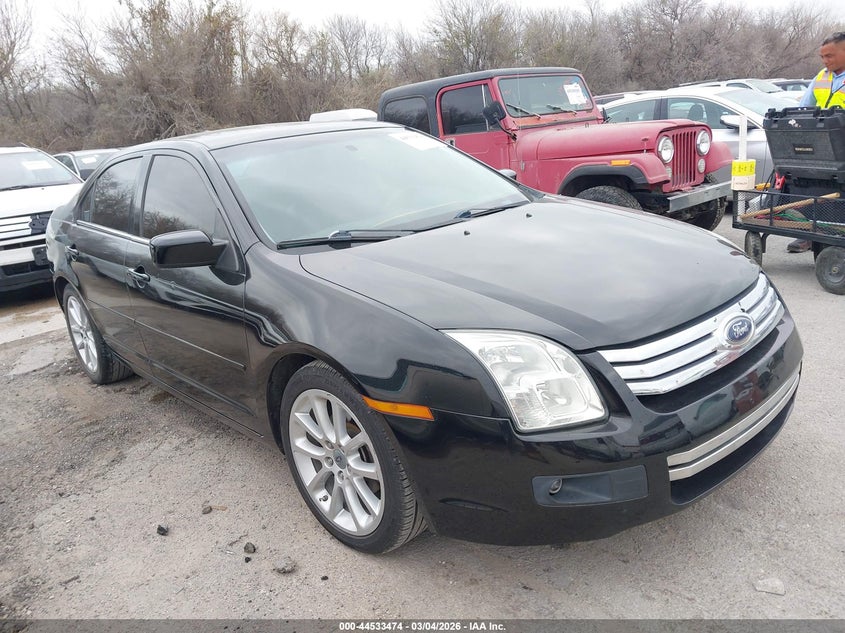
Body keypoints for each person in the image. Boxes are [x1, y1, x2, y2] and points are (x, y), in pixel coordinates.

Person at [787, 32, 845, 253]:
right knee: (815, 184)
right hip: (823, 144)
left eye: (830, 56)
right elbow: (804, 108)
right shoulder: (821, 77)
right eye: (822, 57)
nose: (825, 61)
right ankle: (810, 233)